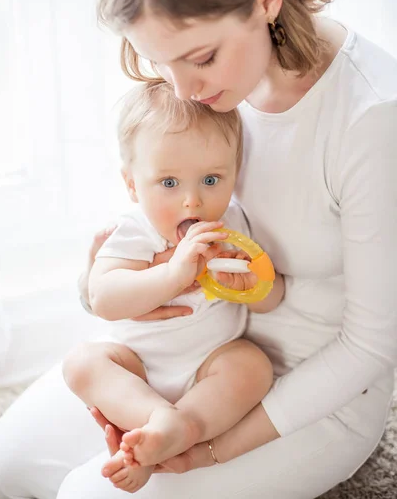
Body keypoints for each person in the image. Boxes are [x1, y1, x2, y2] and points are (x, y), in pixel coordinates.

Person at [0, 0, 396, 497]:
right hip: (177, 349)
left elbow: (371, 347)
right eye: (161, 62)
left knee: (86, 492)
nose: (182, 89)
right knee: (9, 465)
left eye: (200, 59)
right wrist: (103, 283)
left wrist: (207, 450)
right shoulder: (202, 74)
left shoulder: (370, 119)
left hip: (303, 386)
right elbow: (138, 219)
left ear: (267, 2)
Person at [62, 81, 278, 493]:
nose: (192, 202)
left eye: (212, 180)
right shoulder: (133, 229)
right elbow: (103, 297)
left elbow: (270, 300)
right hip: (138, 367)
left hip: (209, 361)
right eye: (168, 183)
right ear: (132, 185)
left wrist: (254, 285)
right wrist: (174, 275)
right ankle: (156, 422)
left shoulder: (232, 224)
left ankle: (178, 431)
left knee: (253, 366)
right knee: (81, 363)